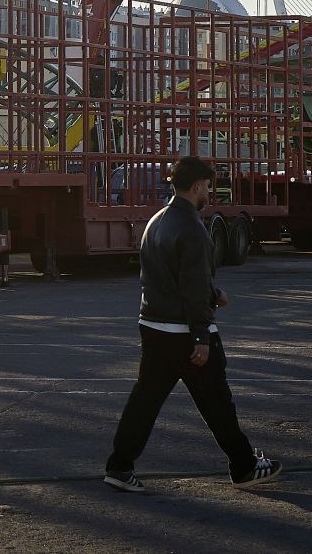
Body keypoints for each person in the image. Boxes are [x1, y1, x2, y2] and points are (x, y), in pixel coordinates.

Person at [104, 154, 281, 494]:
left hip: (154, 326)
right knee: (217, 404)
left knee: (144, 402)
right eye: (209, 188)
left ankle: (119, 466)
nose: (209, 194)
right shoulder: (193, 229)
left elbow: (169, 276)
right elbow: (192, 285)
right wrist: (201, 335)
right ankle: (244, 466)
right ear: (198, 186)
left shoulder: (157, 221)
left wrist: (213, 292)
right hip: (185, 333)